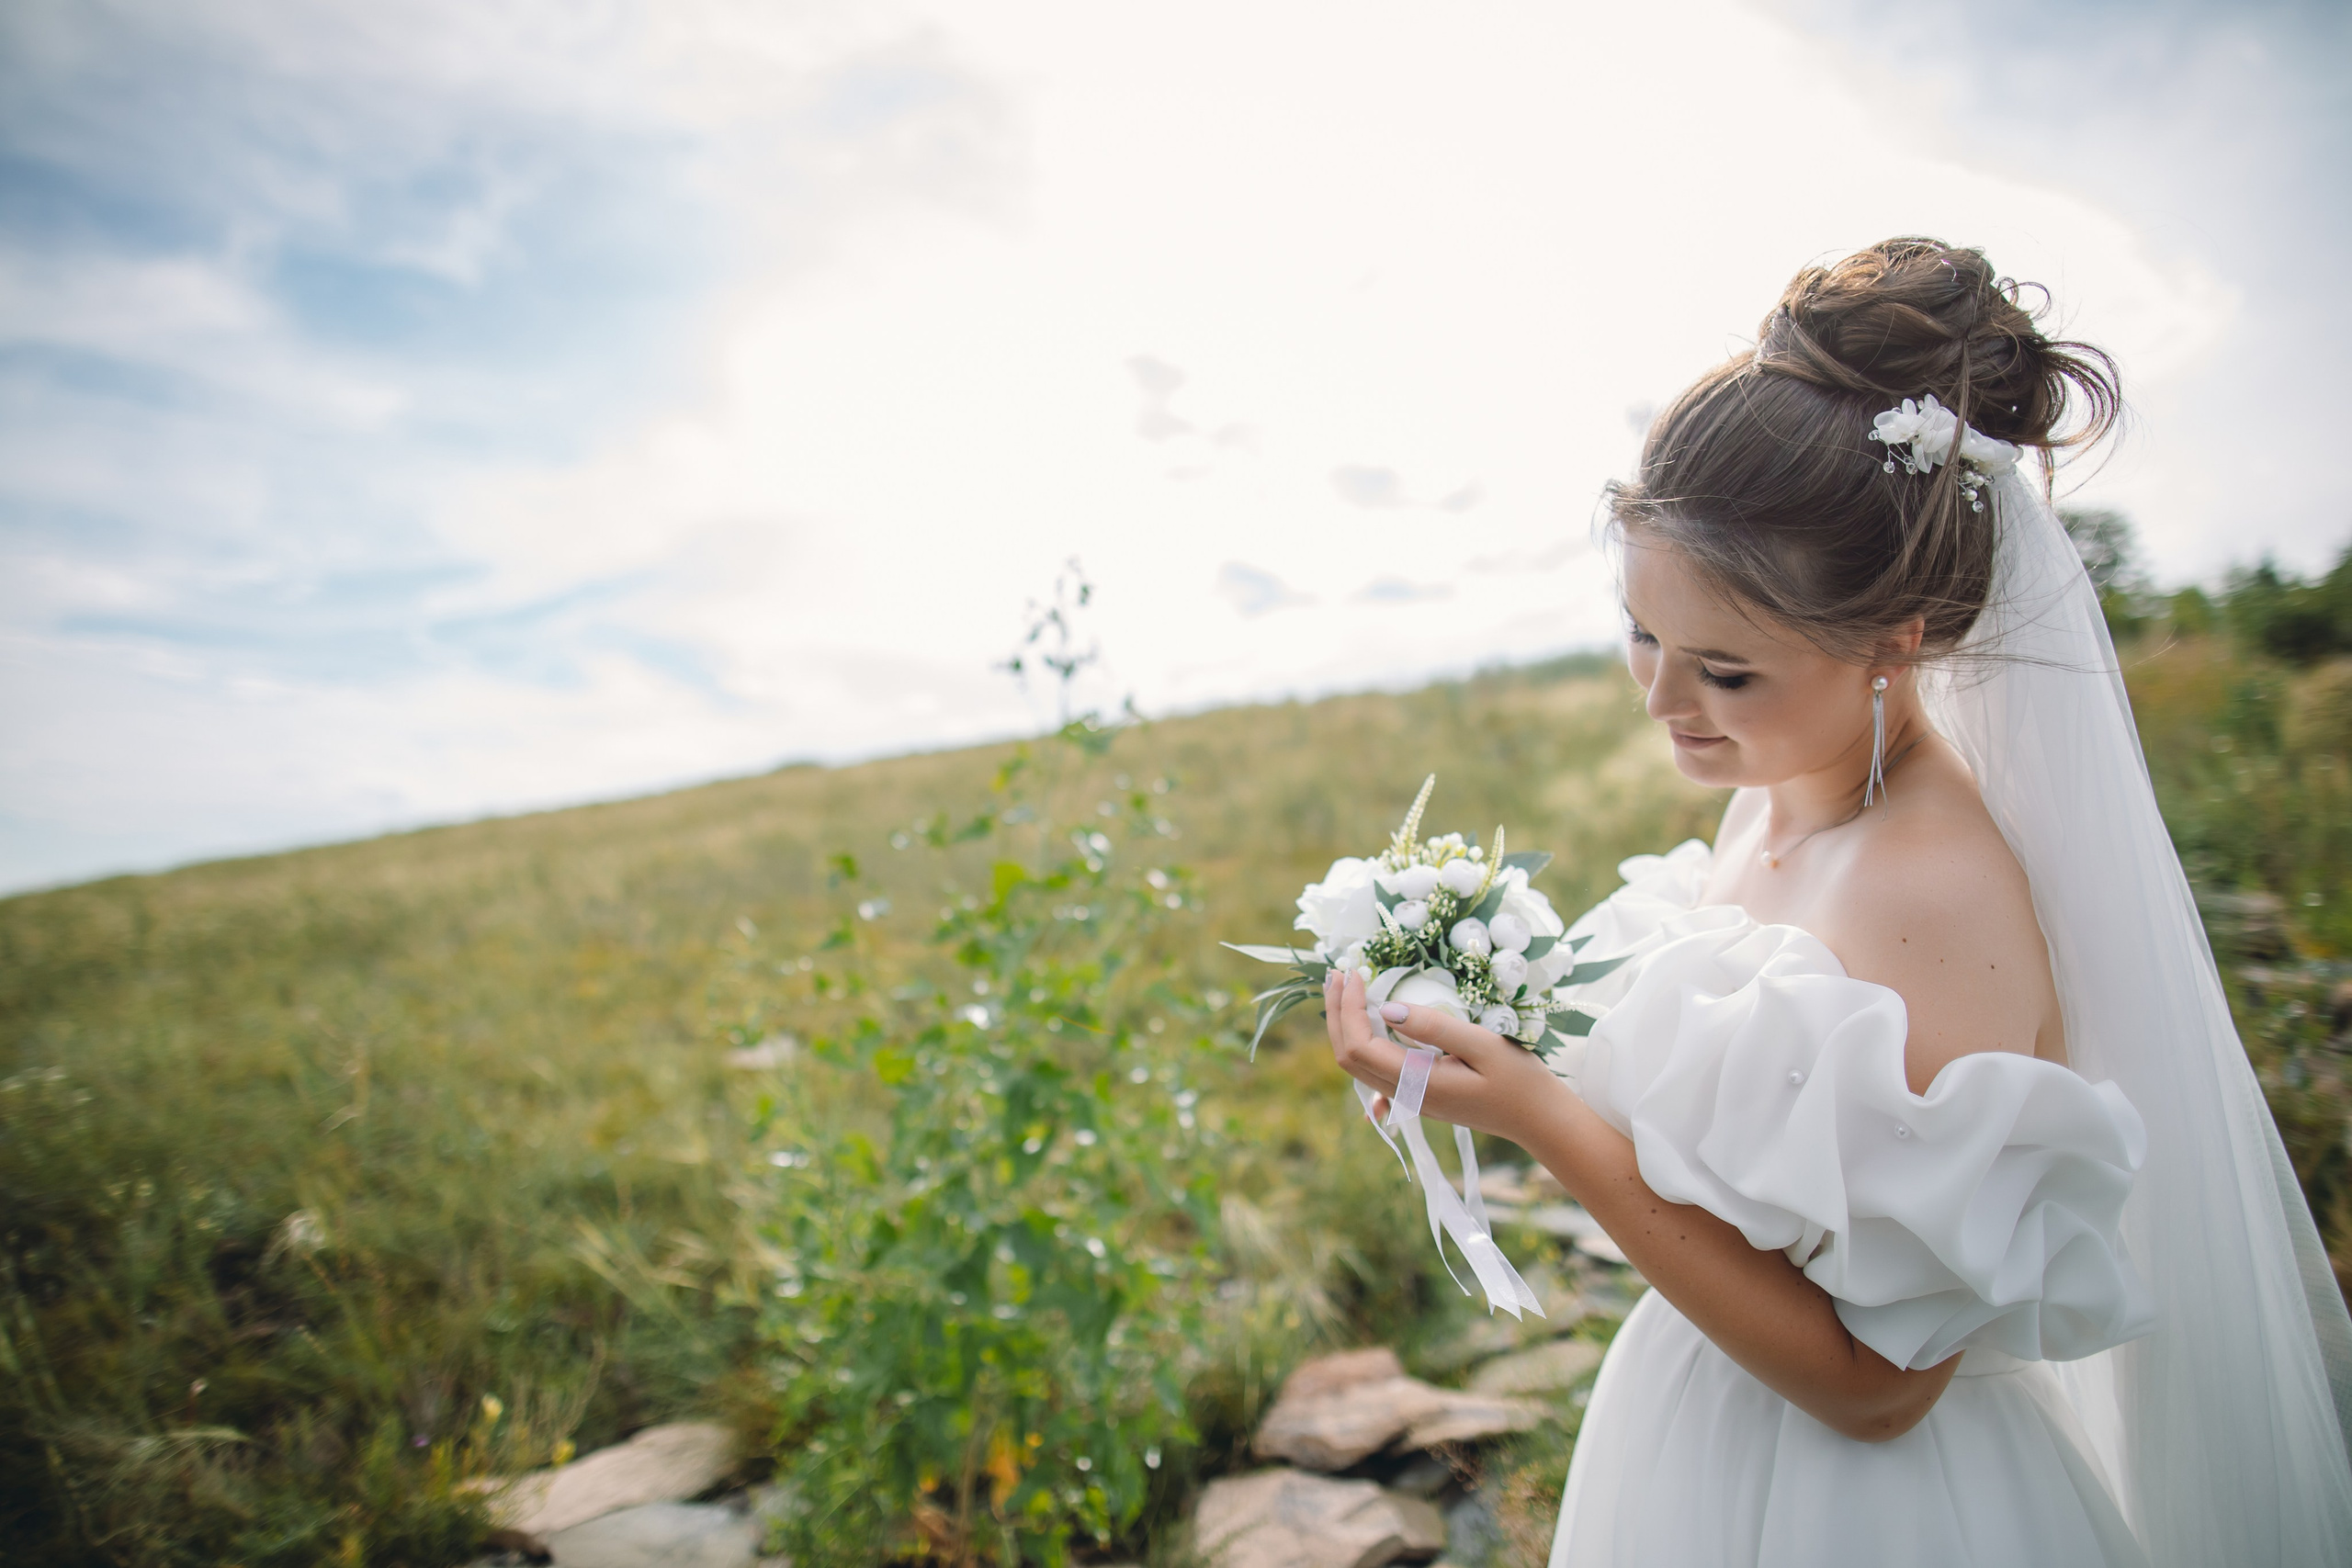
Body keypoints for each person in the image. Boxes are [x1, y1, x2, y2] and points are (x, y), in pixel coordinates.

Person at [1319, 238, 2352, 1567]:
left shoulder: (1937, 891)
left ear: (1894, 640)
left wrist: (1537, 1118)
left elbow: (1878, 1387)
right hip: (1690, 1434)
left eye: (1728, 672)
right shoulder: (1785, 783)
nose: (1663, 704)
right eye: (1644, 635)